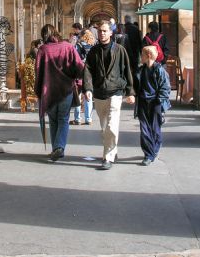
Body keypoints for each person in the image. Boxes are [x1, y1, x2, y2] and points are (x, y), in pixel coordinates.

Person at [83, 20, 135, 170]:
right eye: (100, 31)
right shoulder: (93, 51)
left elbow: (127, 71)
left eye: (105, 31)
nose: (102, 33)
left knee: (112, 126)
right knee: (104, 128)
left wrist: (130, 91)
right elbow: (87, 70)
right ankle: (113, 149)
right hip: (99, 93)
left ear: (111, 32)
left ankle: (108, 157)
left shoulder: (119, 50)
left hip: (115, 92)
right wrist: (88, 88)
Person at [34, 25, 84, 162]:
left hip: (48, 90)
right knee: (63, 119)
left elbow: (38, 72)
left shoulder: (43, 50)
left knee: (53, 120)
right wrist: (78, 83)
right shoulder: (68, 47)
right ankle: (59, 147)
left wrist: (38, 90)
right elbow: (79, 67)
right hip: (65, 89)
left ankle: (56, 148)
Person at [136, 45, 171, 166]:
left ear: (148, 55)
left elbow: (165, 87)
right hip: (143, 101)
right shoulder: (141, 70)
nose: (141, 57)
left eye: (142, 54)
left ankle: (153, 150)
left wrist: (160, 101)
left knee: (155, 128)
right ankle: (148, 154)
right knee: (144, 128)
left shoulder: (159, 70)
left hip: (155, 102)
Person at [70, 29, 97, 125]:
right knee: (88, 94)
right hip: (90, 72)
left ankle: (77, 118)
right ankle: (88, 118)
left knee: (78, 94)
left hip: (80, 71)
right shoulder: (94, 46)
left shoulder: (79, 45)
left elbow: (75, 59)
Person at [122, 15, 143, 92]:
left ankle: (127, 87)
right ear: (130, 20)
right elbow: (140, 41)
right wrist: (141, 53)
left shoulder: (123, 29)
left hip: (125, 52)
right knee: (135, 70)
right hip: (135, 52)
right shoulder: (136, 28)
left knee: (125, 70)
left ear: (125, 20)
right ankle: (136, 87)